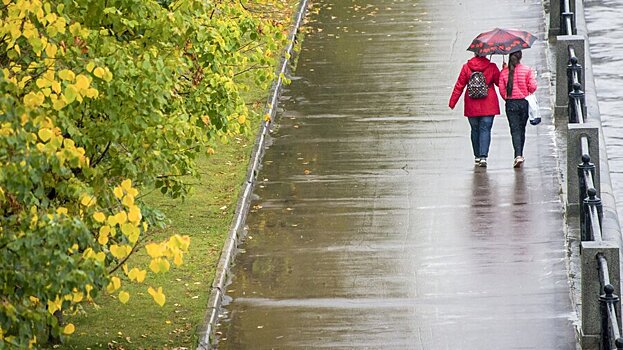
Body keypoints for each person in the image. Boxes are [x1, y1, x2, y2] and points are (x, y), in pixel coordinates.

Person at [449, 53, 501, 167]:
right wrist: (504, 70)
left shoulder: (466, 67)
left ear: (474, 53)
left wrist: (452, 102)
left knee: (475, 129)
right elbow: (499, 82)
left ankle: (477, 156)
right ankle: (483, 157)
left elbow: (459, 86)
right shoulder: (491, 66)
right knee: (485, 129)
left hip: (471, 104)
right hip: (489, 104)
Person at [498, 50, 537, 168]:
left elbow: (501, 89)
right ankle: (520, 154)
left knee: (514, 130)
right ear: (520, 57)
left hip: (511, 104)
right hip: (523, 102)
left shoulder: (504, 72)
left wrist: (507, 98)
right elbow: (533, 87)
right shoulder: (527, 70)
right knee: (522, 129)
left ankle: (518, 155)